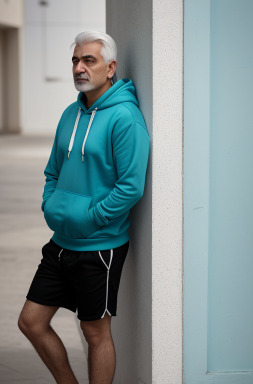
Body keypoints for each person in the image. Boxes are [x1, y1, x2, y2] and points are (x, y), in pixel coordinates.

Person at [18, 31, 150, 384]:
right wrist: (52, 204)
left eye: (88, 60)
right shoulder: (70, 113)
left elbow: (131, 186)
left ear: (110, 68)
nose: (79, 67)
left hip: (100, 248)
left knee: (95, 334)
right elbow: (52, 171)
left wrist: (91, 217)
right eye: (75, 60)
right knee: (30, 322)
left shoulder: (125, 118)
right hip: (61, 243)